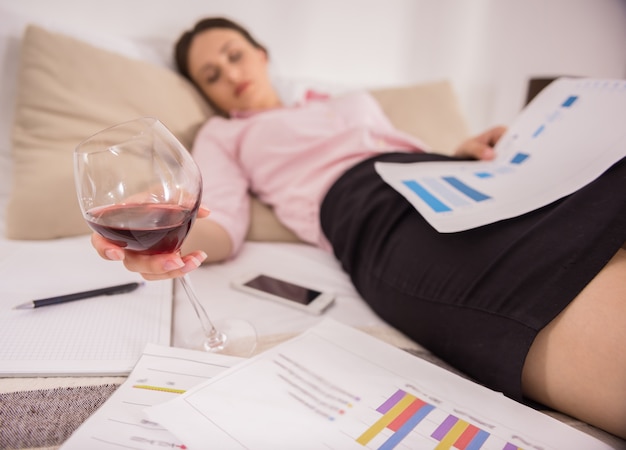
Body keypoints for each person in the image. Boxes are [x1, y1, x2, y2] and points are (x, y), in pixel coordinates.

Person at [91, 17, 626, 438]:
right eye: (212, 75)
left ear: (261, 54)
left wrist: (462, 155)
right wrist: (159, 237)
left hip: (450, 177)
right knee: (537, 280)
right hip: (367, 206)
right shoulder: (224, 134)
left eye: (234, 56)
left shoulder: (342, 100)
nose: (231, 75)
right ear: (205, 93)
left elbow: (400, 146)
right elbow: (223, 229)